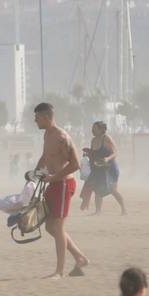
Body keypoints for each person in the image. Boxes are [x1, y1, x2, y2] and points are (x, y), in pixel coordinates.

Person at [31, 102, 90, 278]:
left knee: (57, 226)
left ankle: (59, 271)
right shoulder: (47, 134)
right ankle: (80, 257)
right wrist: (36, 173)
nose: (35, 121)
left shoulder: (61, 137)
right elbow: (45, 157)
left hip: (63, 184)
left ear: (46, 117)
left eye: (37, 118)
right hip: (53, 184)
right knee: (50, 227)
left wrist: (54, 177)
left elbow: (76, 164)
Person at [79, 122, 127, 215]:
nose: (92, 130)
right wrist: (88, 153)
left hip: (110, 169)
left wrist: (107, 159)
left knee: (112, 189)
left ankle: (124, 209)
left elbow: (115, 152)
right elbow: (94, 154)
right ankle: (98, 211)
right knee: (97, 189)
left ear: (101, 130)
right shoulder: (93, 140)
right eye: (92, 128)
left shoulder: (106, 138)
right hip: (99, 168)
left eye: (94, 128)